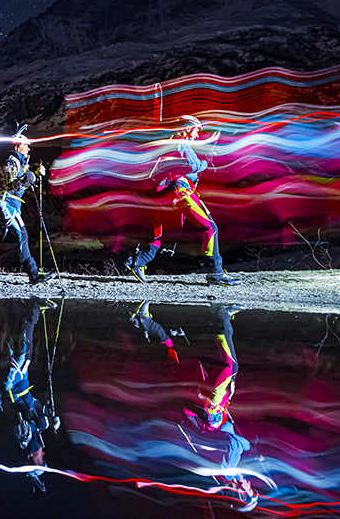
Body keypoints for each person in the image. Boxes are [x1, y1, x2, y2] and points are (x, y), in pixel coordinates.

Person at [133, 301, 258, 510]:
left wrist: (247, 446)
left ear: (240, 492)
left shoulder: (225, 471)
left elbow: (232, 442)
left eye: (250, 490)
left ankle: (222, 316)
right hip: (207, 411)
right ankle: (145, 321)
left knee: (230, 367)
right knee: (177, 359)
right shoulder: (228, 471)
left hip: (206, 409)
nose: (250, 484)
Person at [125, 115, 241, 286]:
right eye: (196, 130)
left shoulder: (168, 142)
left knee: (162, 235)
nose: (197, 134)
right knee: (210, 228)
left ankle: (138, 262)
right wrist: (205, 162)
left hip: (164, 195)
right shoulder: (181, 143)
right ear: (187, 128)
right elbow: (192, 165)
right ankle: (216, 273)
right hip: (180, 192)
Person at [0, 299, 61, 492]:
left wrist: (38, 419)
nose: (42, 454)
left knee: (25, 352)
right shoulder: (38, 433)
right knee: (23, 350)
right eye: (44, 459)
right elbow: (35, 407)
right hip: (23, 384)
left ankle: (34, 308)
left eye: (40, 460)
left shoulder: (23, 437)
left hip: (14, 386)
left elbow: (19, 414)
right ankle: (31, 313)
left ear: (30, 458)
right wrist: (48, 414)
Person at [0, 125, 56, 284]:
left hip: (11, 205)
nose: (28, 149)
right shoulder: (11, 161)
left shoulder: (18, 162)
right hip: (6, 204)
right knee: (22, 234)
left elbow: (21, 181)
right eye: (25, 146)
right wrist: (28, 178)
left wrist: (34, 175)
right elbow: (10, 183)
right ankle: (33, 273)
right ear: (17, 147)